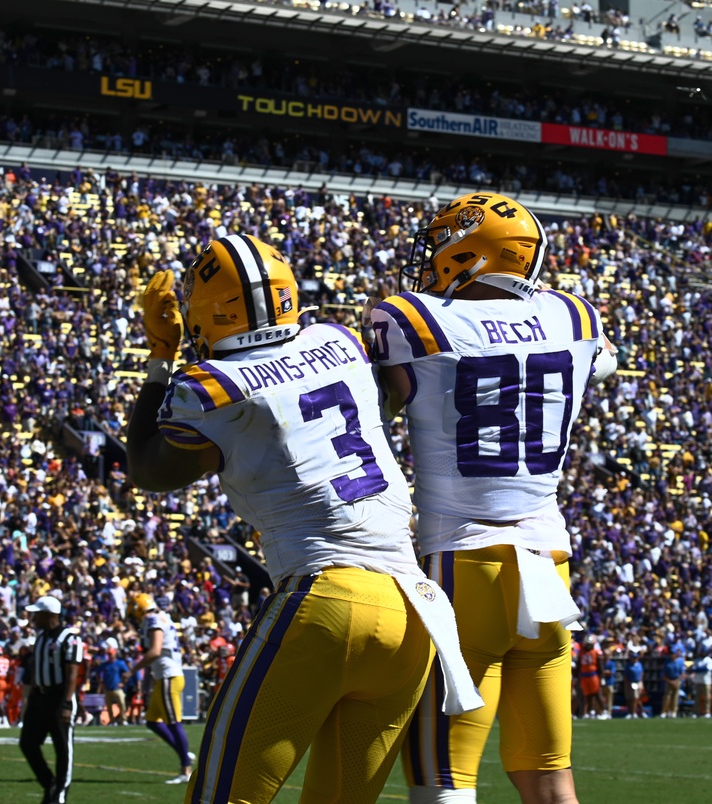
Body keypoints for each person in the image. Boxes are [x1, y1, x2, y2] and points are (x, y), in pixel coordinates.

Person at [127, 237, 480, 804]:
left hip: (325, 600)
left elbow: (148, 470)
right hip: (413, 613)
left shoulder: (211, 388)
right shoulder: (338, 341)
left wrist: (158, 356)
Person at [367, 191, 618, 804]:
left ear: (471, 253)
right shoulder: (575, 318)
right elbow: (602, 364)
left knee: (443, 778)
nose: (428, 263)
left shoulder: (410, 319)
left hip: (462, 563)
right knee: (550, 776)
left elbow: (377, 407)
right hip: (549, 566)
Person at [19, 596, 84, 804]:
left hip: (58, 697)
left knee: (62, 748)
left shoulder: (69, 638)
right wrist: (30, 698)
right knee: (27, 743)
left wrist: (66, 703)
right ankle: (49, 783)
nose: (33, 618)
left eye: (37, 614)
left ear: (49, 615)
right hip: (40, 696)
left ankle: (60, 794)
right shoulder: (40, 638)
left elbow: (72, 673)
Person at [130, 593, 193, 783]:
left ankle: (186, 770)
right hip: (168, 675)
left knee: (173, 723)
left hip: (168, 676)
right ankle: (184, 754)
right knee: (152, 721)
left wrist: (132, 670)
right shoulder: (164, 616)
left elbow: (155, 650)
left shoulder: (152, 619)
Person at [96, 645, 131, 726]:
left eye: (111, 654)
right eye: (109, 654)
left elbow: (127, 673)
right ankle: (112, 720)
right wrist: (100, 682)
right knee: (109, 706)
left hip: (117, 688)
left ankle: (123, 719)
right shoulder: (105, 664)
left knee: (122, 703)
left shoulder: (120, 663)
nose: (110, 655)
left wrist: (123, 683)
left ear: (115, 654)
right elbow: (97, 673)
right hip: (107, 688)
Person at [578, 635, 604, 719]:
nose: (588, 646)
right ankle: (591, 711)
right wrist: (577, 675)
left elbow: (600, 667)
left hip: (593, 675)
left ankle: (604, 710)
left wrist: (602, 678)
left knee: (597, 693)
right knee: (588, 695)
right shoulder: (581, 652)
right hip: (584, 676)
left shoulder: (596, 652)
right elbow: (579, 665)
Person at [661, 646, 686, 718]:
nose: (671, 655)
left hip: (677, 681)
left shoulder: (680, 661)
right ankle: (664, 711)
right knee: (667, 697)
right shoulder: (667, 662)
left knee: (675, 697)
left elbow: (682, 673)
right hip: (669, 681)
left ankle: (673, 712)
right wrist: (670, 681)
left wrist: (676, 681)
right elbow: (664, 674)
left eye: (673, 653)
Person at [623, 653, 646, 718]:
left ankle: (635, 712)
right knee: (630, 699)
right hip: (630, 683)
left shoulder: (639, 665)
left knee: (636, 698)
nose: (634, 659)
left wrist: (641, 682)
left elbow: (641, 674)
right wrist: (627, 684)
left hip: (638, 682)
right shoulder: (628, 665)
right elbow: (625, 676)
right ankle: (632, 712)